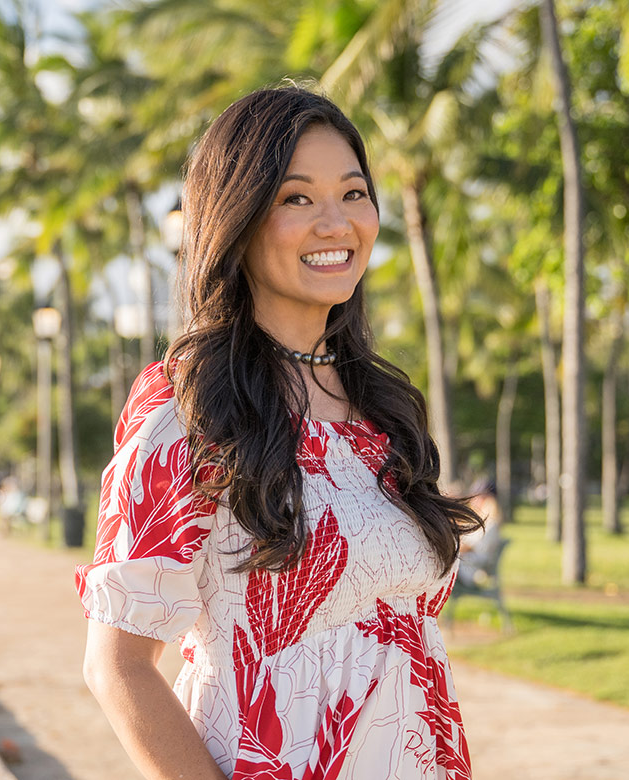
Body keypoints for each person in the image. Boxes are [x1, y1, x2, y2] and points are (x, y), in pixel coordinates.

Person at [76, 86, 483, 780]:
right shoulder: (190, 411)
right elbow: (117, 667)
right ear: (238, 218)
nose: (337, 223)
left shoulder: (381, 409)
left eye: (354, 194)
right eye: (297, 199)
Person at [457, 479, 502, 588]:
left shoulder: (490, 524)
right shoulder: (480, 522)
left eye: (478, 497)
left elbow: (474, 547)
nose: (474, 501)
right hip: (469, 560)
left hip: (471, 564)